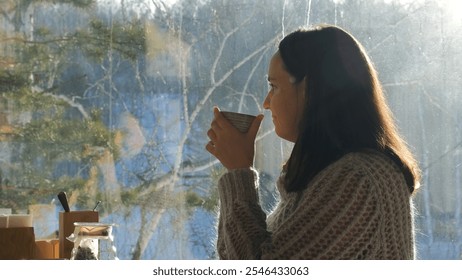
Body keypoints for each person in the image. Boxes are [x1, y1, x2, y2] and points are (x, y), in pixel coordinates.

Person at [205, 24, 421, 260]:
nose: (266, 103)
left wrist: (239, 171)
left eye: (274, 86)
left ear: (310, 89)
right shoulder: (329, 175)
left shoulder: (357, 182)